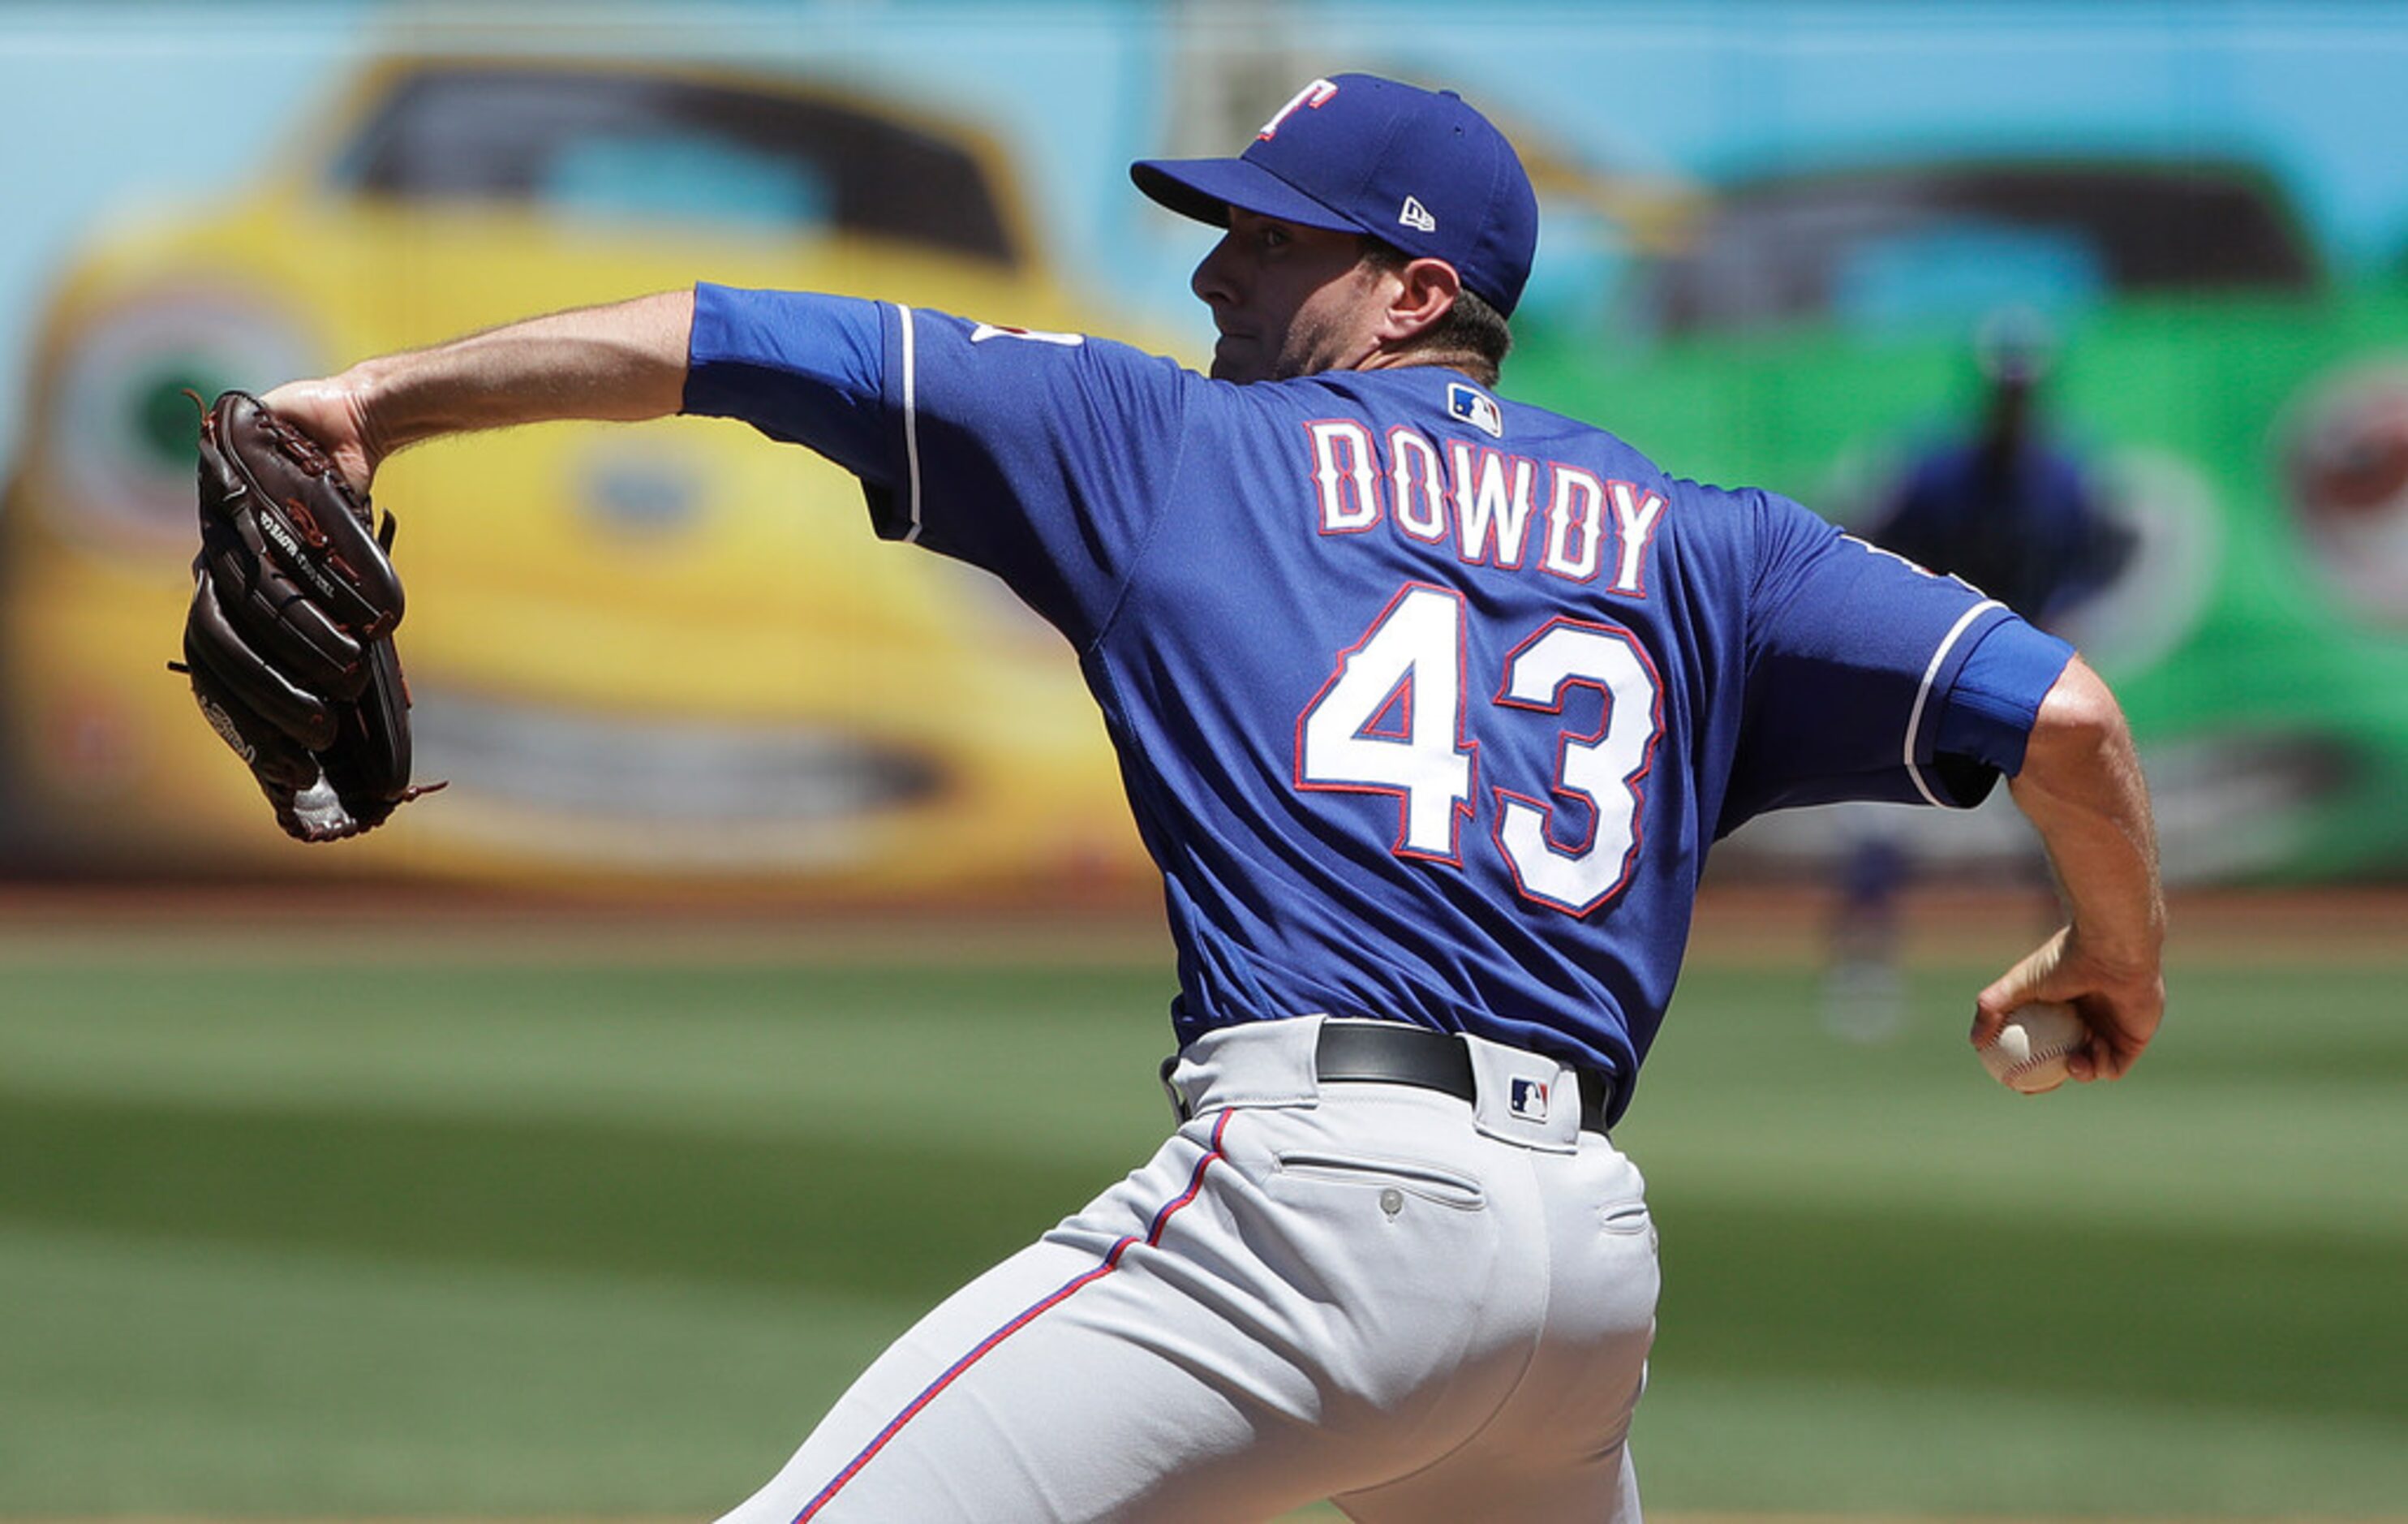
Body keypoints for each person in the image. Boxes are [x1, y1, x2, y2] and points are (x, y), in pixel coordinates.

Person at [257, 74, 2163, 1523]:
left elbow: (745, 339)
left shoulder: (1166, 444)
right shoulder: (1704, 544)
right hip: (1580, 1274)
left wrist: (383, 401)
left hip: (1312, 1220)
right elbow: (2071, 719)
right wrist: (2114, 957)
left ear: (1417, 289)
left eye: (1268, 238)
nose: (1210, 265)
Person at [1821, 310, 2137, 1041]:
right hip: (1935, 666)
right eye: (2005, 388)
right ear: (1987, 390)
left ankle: (2072, 971)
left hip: (2021, 673)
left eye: (2024, 390)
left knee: (2062, 829)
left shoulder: (2064, 480)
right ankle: (1863, 967)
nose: (2014, 402)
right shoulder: (1936, 472)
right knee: (1881, 820)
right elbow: (1875, 550)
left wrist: (2069, 618)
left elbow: (2097, 561)